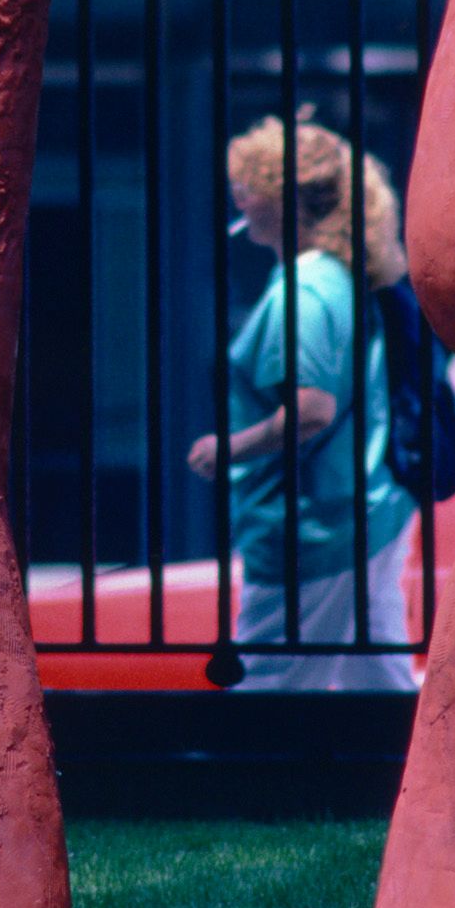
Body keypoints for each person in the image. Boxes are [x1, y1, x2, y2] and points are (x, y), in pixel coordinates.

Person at [187, 114, 419, 691]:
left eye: (250, 185)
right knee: (379, 683)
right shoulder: (340, 278)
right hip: (368, 509)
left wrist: (225, 449)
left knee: (270, 686)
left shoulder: (305, 289)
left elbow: (312, 411)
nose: (239, 197)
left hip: (314, 525)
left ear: (285, 200)